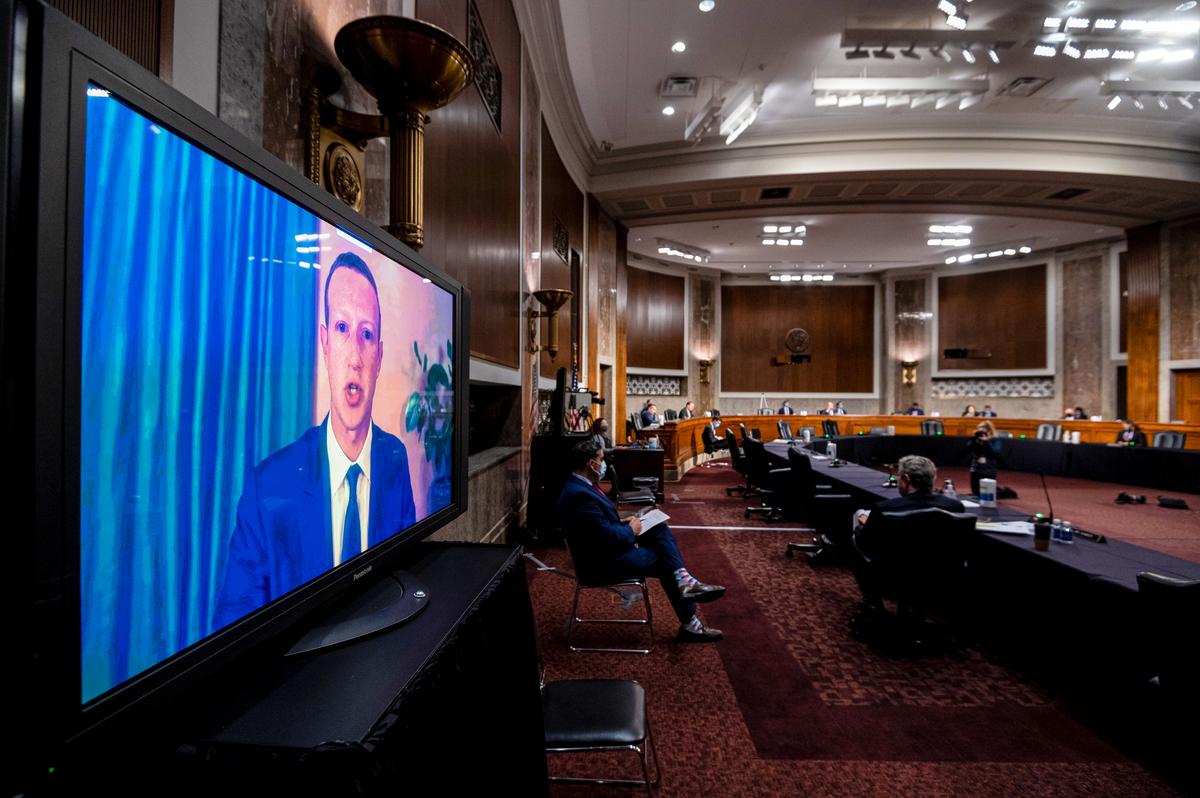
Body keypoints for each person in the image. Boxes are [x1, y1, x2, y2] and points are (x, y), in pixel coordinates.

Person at [215, 252, 416, 629]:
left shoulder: (395, 458)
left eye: (366, 334)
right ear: (324, 344)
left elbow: (406, 573)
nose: (354, 356)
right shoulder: (267, 488)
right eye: (341, 328)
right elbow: (233, 630)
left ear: (379, 356)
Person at [557, 439, 726, 642]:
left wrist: (622, 521)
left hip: (607, 549)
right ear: (590, 463)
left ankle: (684, 581)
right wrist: (630, 530)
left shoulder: (581, 485)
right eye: (601, 459)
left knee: (658, 527)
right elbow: (604, 538)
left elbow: (595, 527)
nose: (604, 464)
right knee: (664, 561)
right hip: (602, 563)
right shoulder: (579, 495)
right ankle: (690, 620)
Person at [851, 455, 965, 612]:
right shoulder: (955, 507)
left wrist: (860, 528)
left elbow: (865, 542)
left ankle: (873, 603)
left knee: (856, 537)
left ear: (905, 479)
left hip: (891, 579)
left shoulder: (885, 508)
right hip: (940, 578)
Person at [966, 421, 1001, 496]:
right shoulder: (977, 439)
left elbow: (995, 452)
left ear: (989, 430)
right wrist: (973, 438)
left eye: (983, 430)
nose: (981, 432)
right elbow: (968, 449)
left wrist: (987, 441)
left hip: (988, 469)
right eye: (979, 429)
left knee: (988, 493)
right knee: (975, 492)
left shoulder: (994, 439)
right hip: (976, 468)